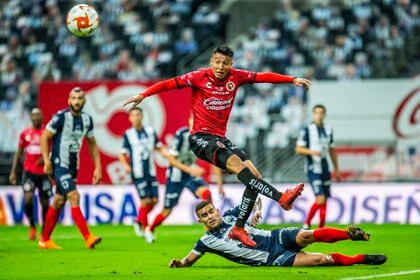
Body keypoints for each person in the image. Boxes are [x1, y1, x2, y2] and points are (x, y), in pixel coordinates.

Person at [124, 45, 311, 247]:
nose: (221, 66)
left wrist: (292, 79)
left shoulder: (236, 77)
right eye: (217, 62)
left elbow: (263, 77)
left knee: (254, 176)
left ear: (231, 64)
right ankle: (280, 197)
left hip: (220, 138)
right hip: (200, 138)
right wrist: (144, 94)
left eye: (225, 63)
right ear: (211, 61)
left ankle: (239, 228)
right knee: (240, 168)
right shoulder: (198, 77)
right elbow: (169, 84)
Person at [169, 201, 387, 268]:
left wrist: (257, 210)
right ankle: (362, 259)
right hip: (272, 258)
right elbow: (189, 260)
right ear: (201, 221)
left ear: (216, 209)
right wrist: (179, 263)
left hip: (275, 237)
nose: (210, 216)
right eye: (205, 216)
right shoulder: (205, 241)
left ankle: (350, 234)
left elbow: (254, 198)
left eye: (211, 211)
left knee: (307, 235)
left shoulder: (232, 214)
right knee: (321, 259)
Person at [39, 87, 102, 250]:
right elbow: (44, 137)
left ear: (84, 101)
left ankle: (44, 239)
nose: (76, 101)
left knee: (59, 201)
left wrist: (98, 168)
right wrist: (47, 161)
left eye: (80, 98)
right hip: (59, 164)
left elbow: (92, 144)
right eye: (74, 98)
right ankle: (88, 237)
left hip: (74, 166)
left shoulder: (87, 120)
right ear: (69, 100)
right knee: (74, 196)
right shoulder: (60, 117)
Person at [148, 117, 224, 239]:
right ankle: (150, 229)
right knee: (167, 210)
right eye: (193, 121)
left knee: (206, 193)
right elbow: (172, 160)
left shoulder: (204, 138)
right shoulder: (181, 135)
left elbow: (213, 162)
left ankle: (210, 229)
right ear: (188, 121)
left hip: (190, 174)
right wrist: (191, 170)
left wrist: (220, 186)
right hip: (176, 175)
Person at [119, 107, 166, 243]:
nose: (136, 117)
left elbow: (159, 145)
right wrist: (125, 165)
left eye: (138, 114)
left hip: (151, 172)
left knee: (155, 201)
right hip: (137, 173)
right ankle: (147, 230)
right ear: (130, 118)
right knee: (145, 201)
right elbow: (122, 154)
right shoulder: (128, 134)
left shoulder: (151, 132)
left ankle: (138, 219)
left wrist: (164, 152)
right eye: (133, 115)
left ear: (142, 116)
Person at [9, 108, 52, 240]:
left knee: (45, 203)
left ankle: (44, 229)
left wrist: (47, 158)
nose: (36, 118)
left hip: (44, 173)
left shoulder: (47, 133)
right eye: (34, 115)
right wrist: (13, 172)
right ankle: (32, 226)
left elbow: (54, 149)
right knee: (28, 199)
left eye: (39, 115)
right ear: (31, 118)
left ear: (42, 117)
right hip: (29, 172)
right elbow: (19, 152)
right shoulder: (25, 134)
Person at [296, 104, 340, 229]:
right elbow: (298, 149)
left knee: (325, 199)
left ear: (324, 115)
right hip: (312, 169)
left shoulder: (328, 129)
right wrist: (312, 152)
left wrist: (336, 169)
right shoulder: (307, 130)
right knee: (320, 199)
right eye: (316, 113)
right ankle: (307, 224)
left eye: (321, 113)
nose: (319, 116)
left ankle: (321, 228)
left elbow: (332, 150)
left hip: (325, 168)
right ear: (313, 114)